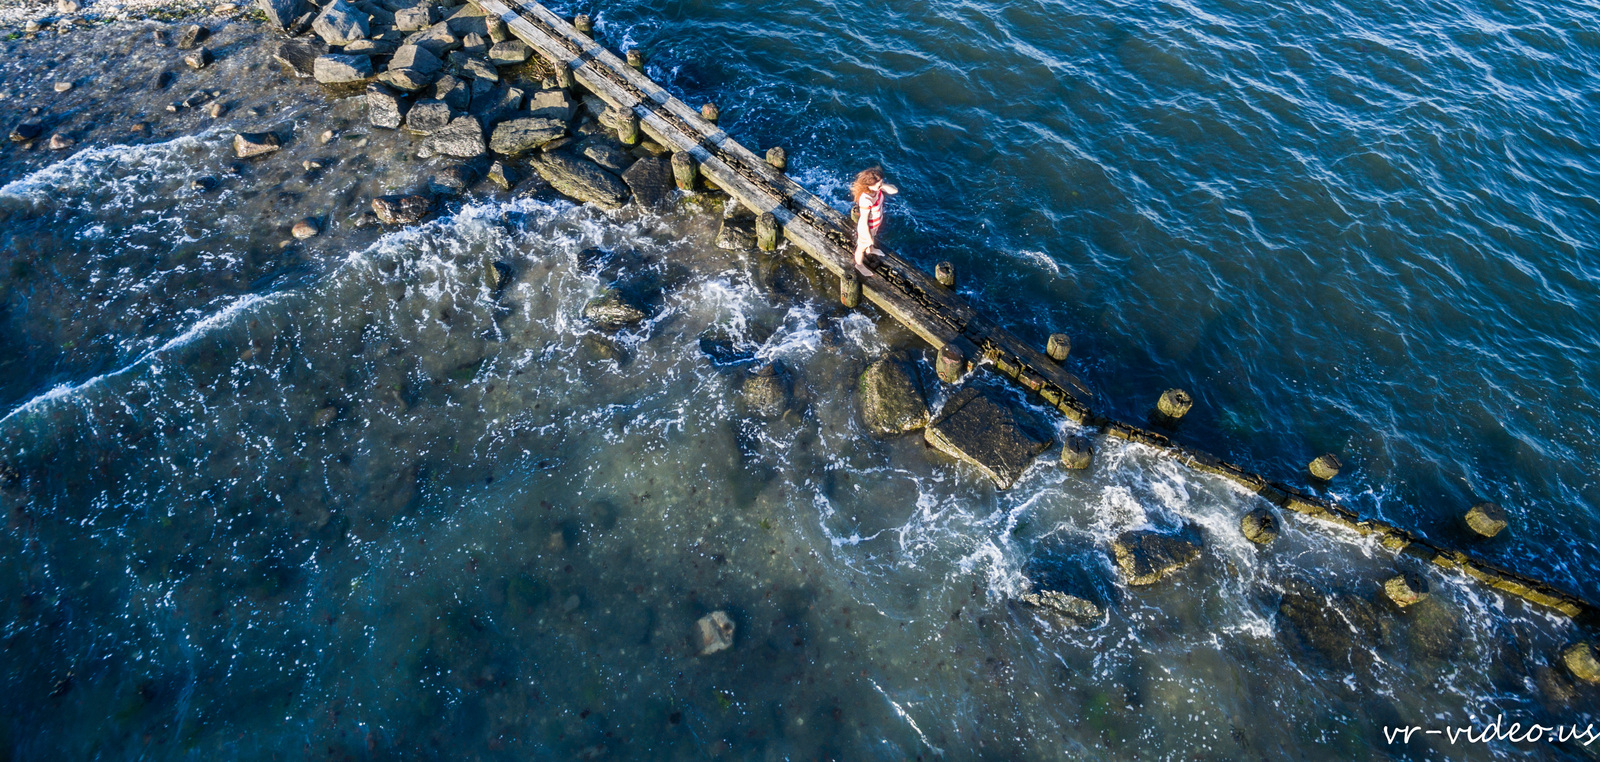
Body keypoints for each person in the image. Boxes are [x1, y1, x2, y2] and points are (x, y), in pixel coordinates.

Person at [850, 167, 898, 276]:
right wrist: (868, 237)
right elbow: (863, 221)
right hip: (866, 228)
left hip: (875, 225)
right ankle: (859, 265)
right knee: (861, 247)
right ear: (869, 185)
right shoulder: (866, 199)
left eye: (881, 183)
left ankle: (870, 249)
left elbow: (895, 190)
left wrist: (881, 185)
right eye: (878, 184)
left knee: (870, 242)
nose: (880, 186)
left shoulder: (877, 189)